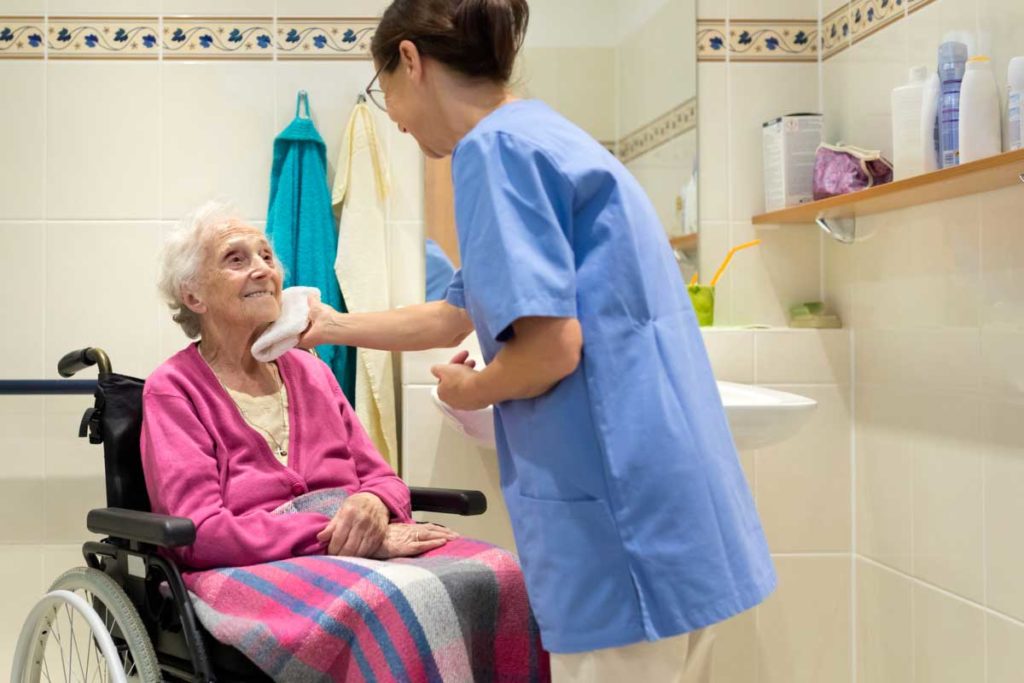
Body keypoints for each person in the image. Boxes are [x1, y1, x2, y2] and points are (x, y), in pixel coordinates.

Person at [302, 1, 776, 680]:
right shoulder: (546, 136)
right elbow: (455, 310)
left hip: (620, 531)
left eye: (388, 94)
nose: (396, 118)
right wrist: (330, 325)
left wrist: (476, 385)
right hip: (672, 514)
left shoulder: (492, 152)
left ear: (411, 61)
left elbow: (551, 350)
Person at [143, 201, 459, 570]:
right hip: (255, 568)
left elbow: (382, 478)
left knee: (496, 572)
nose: (263, 269)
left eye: (266, 256)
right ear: (194, 295)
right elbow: (202, 532)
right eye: (236, 259)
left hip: (358, 554)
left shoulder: (312, 371)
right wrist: (344, 538)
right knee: (386, 604)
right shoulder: (174, 390)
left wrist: (374, 503)